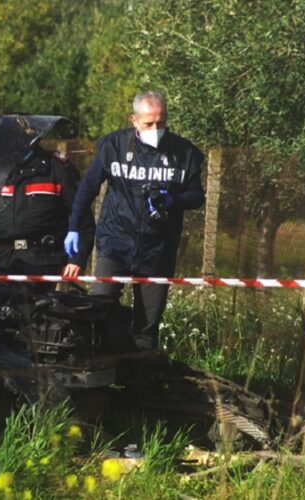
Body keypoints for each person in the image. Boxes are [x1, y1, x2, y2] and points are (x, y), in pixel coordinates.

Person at [65, 90, 205, 350]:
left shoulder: (184, 153)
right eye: (148, 123)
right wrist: (73, 227)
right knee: (100, 306)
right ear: (134, 120)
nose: (156, 128)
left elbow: (197, 196)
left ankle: (140, 379)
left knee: (148, 324)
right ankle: (108, 360)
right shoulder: (113, 147)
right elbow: (88, 189)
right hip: (116, 241)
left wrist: (174, 201)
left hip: (158, 247)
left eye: (161, 123)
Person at [0, 145, 94, 282]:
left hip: (43, 259)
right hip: (2, 260)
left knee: (35, 302)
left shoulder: (56, 168)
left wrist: (77, 260)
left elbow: (82, 217)